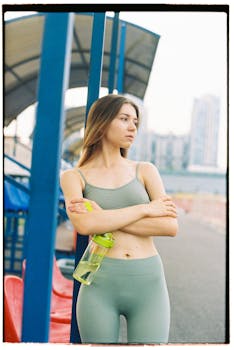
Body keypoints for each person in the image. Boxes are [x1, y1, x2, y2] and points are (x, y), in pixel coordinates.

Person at [60, 94, 178, 344]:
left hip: (149, 283)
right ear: (101, 123)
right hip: (100, 284)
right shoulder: (74, 176)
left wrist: (103, 216)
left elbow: (169, 225)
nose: (132, 127)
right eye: (124, 119)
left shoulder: (145, 170)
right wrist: (145, 209)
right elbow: (84, 225)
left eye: (135, 121)